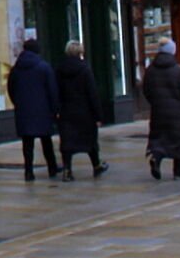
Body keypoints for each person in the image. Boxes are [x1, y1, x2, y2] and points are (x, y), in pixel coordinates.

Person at [142, 38, 180, 180]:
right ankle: (178, 172)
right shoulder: (178, 70)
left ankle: (156, 159)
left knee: (159, 138)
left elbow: (146, 90)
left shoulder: (150, 70)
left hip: (158, 111)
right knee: (179, 140)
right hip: (177, 113)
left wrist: (155, 102)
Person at [6, 37, 60, 182]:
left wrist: (18, 102)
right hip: (43, 110)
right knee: (46, 140)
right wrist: (55, 109)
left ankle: (28, 171)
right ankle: (52, 167)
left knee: (27, 143)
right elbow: (52, 90)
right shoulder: (44, 67)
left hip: (24, 110)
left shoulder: (16, 69)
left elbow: (11, 88)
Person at [55, 40, 108, 181]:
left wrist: (57, 109)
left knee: (67, 142)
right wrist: (98, 116)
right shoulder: (85, 69)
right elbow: (92, 93)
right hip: (85, 112)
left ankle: (67, 170)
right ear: (80, 52)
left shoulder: (59, 69)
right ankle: (96, 165)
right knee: (90, 141)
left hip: (67, 111)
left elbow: (56, 92)